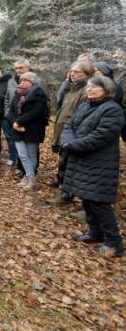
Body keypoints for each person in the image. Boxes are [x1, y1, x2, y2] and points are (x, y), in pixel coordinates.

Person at [61, 76, 124, 258]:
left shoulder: (113, 110)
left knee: (99, 202)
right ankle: (94, 233)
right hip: (82, 159)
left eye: (94, 87)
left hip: (100, 162)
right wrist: (68, 142)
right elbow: (69, 125)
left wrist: (73, 145)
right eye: (88, 86)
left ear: (106, 89)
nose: (89, 89)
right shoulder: (85, 105)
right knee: (87, 198)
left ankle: (114, 243)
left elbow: (101, 135)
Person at [47, 61, 94, 205]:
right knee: (63, 163)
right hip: (64, 133)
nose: (73, 74)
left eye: (77, 72)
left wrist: (72, 138)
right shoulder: (73, 88)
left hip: (74, 136)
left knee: (69, 165)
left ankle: (67, 195)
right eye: (71, 71)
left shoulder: (86, 90)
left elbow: (80, 118)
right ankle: (64, 190)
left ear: (87, 74)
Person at [5, 59, 48, 177]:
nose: (22, 82)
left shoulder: (39, 90)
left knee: (31, 154)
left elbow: (37, 110)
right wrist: (14, 121)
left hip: (32, 126)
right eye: (21, 80)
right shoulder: (16, 90)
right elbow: (11, 107)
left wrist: (19, 122)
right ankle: (26, 173)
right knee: (22, 153)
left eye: (26, 80)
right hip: (17, 126)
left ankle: (30, 176)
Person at [0, 66, 17, 165]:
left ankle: (13, 157)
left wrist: (8, 112)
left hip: (5, 115)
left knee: (9, 136)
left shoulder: (9, 81)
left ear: (1, 72)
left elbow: (11, 97)